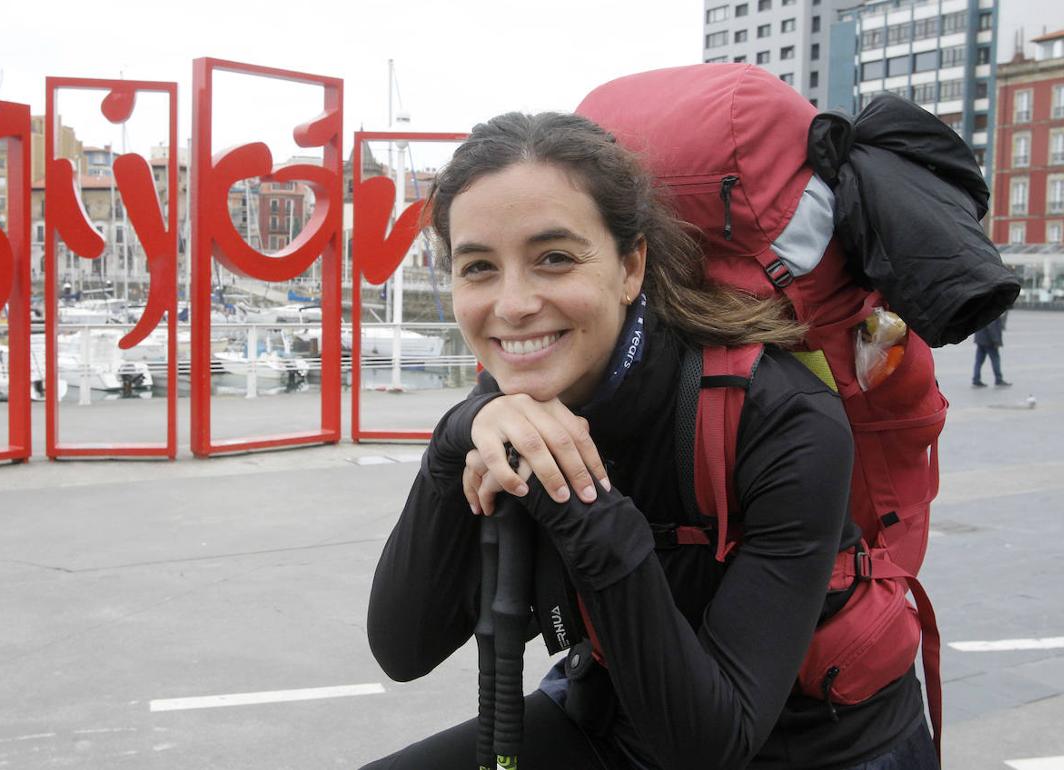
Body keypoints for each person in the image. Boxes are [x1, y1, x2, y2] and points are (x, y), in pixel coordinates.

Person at [363, 113, 938, 769]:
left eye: (554, 258)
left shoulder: (784, 418)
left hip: (816, 746)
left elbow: (710, 747)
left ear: (630, 265)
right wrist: (454, 439)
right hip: (614, 706)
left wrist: (575, 493)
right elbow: (404, 648)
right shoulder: (508, 402)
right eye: (478, 267)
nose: (513, 304)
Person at [972, 313, 1011, 387]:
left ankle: (976, 379)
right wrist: (996, 341)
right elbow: (991, 327)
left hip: (980, 340)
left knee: (978, 362)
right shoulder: (992, 311)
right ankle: (998, 379)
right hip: (989, 342)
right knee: (995, 360)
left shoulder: (982, 309)